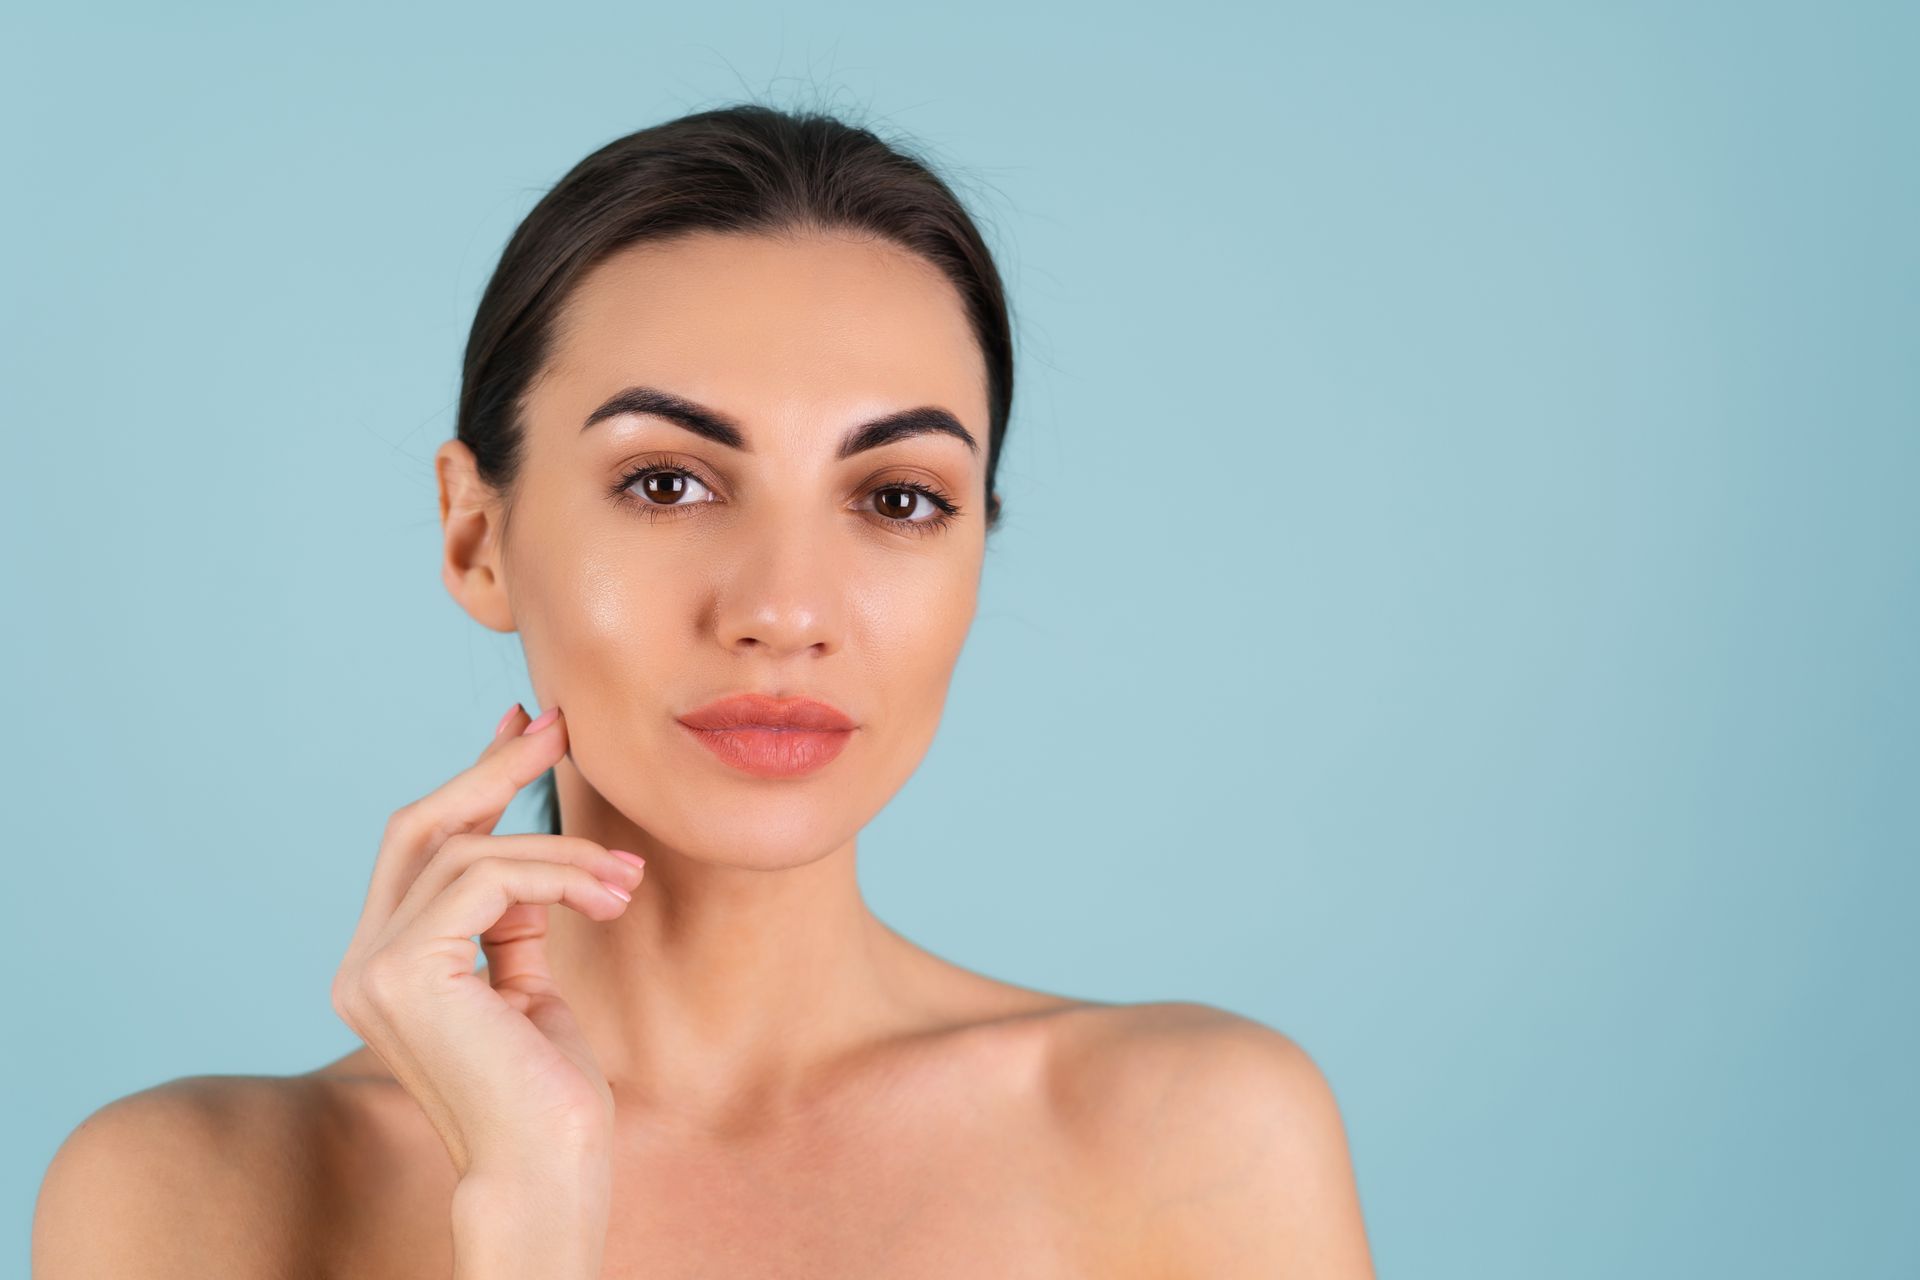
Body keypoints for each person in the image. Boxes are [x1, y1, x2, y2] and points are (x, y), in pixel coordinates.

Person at [32, 103, 1375, 1278]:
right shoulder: (188, 1192)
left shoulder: (1200, 1133)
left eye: (899, 498)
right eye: (667, 483)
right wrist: (528, 1211)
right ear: (476, 536)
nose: (783, 610)